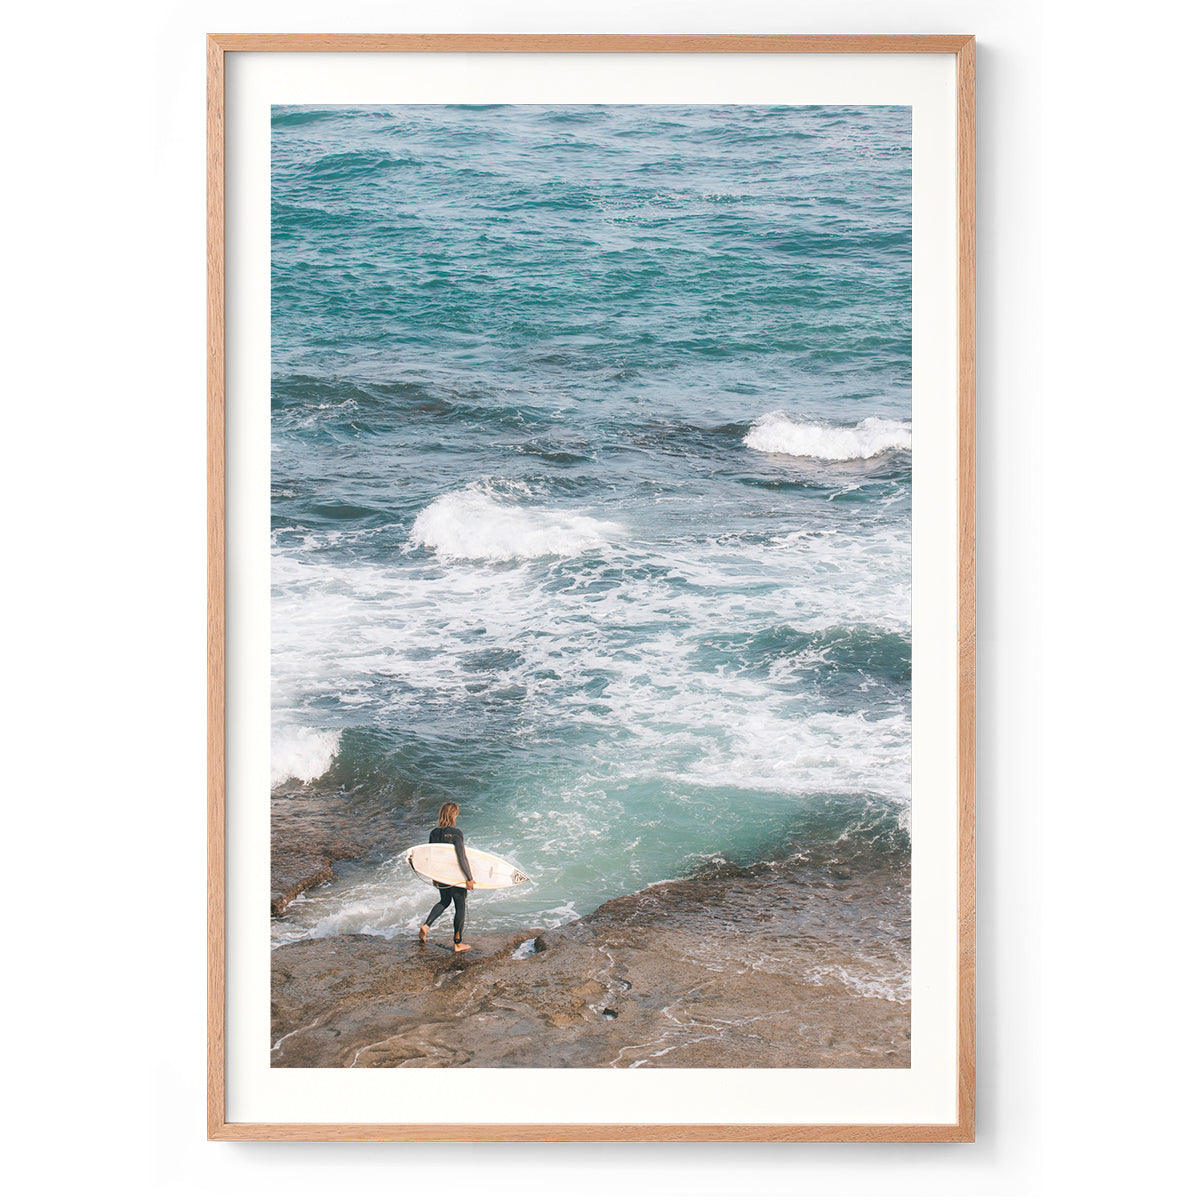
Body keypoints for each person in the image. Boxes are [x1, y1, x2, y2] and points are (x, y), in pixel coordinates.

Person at [418, 802, 475, 952]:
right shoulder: (456, 833)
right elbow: (461, 857)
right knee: (460, 905)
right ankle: (458, 943)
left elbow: (432, 856)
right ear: (453, 815)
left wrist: (433, 876)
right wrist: (469, 878)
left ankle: (426, 925)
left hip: (441, 874)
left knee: (444, 901)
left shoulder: (433, 833)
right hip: (455, 875)